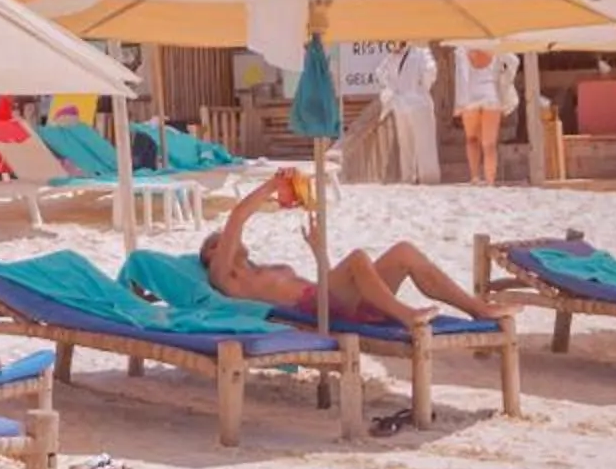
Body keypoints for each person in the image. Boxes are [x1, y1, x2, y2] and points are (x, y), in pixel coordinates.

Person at [200, 171, 497, 326]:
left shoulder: (264, 268)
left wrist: (319, 252)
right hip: (317, 310)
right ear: (212, 254)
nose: (228, 240)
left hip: (335, 301)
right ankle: (405, 315)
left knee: (404, 252)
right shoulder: (226, 276)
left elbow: (332, 284)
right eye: (220, 241)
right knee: (357, 258)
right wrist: (271, 186)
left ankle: (476, 309)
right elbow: (238, 216)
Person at [378, 41, 442, 184]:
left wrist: (420, 88)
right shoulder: (391, 57)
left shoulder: (420, 50)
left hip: (419, 103)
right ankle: (408, 177)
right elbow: (381, 73)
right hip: (401, 104)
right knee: (405, 143)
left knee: (424, 142)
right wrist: (391, 93)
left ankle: (429, 178)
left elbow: (430, 71)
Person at [453, 40, 514, 184]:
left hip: (469, 97)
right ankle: (490, 181)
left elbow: (460, 77)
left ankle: (475, 177)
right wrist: (506, 79)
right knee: (490, 144)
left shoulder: (463, 48)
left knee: (472, 139)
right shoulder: (496, 46)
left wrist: (459, 104)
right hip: (491, 96)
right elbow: (513, 61)